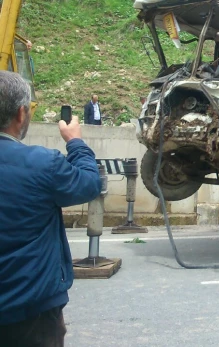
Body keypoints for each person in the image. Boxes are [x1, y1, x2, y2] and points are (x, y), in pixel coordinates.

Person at [0, 71, 102, 346]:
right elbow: (90, 184)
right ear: (21, 114)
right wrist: (75, 142)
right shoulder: (42, 164)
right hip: (30, 313)